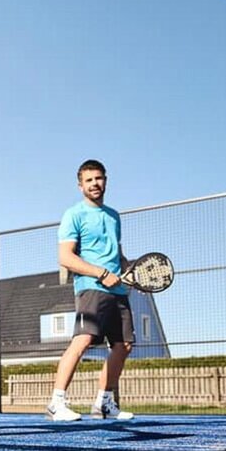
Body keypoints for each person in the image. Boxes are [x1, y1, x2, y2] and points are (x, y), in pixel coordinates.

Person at [48, 159, 134, 422]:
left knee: (124, 346)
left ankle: (104, 403)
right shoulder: (73, 215)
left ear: (105, 180)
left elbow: (115, 253)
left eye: (99, 178)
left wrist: (126, 268)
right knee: (83, 340)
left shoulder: (114, 215)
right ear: (80, 185)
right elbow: (65, 257)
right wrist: (101, 273)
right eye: (89, 180)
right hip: (90, 288)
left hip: (117, 290)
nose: (95, 184)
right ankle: (56, 403)